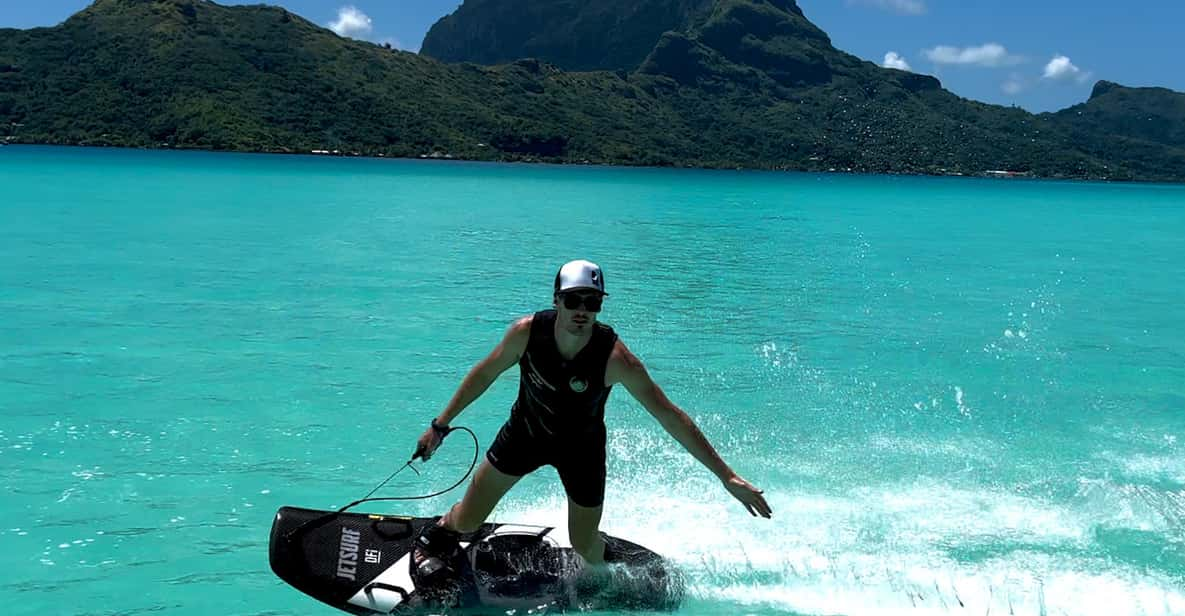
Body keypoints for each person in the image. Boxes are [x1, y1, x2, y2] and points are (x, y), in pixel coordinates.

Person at [412, 259, 771, 586]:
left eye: (592, 301)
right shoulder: (526, 333)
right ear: (557, 300)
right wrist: (440, 426)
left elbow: (670, 416)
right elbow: (485, 373)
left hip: (581, 451)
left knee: (583, 544)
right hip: (524, 435)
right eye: (574, 300)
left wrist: (726, 475)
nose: (583, 310)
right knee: (467, 522)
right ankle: (436, 536)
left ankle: (610, 561)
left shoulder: (616, 359)